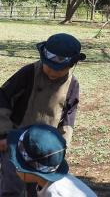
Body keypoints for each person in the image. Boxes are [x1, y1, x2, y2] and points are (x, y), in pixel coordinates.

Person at [0, 33, 86, 197]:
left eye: (59, 69)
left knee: (38, 187)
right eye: (49, 67)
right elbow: (2, 98)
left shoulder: (72, 85)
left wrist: (61, 146)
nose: (53, 73)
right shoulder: (28, 73)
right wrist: (3, 134)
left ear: (72, 65)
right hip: (15, 142)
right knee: (11, 186)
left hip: (44, 149)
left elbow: (69, 117)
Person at [7, 123, 97, 196]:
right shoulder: (48, 184)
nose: (13, 164)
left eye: (16, 161)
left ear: (29, 170)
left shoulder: (56, 193)